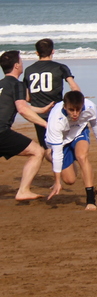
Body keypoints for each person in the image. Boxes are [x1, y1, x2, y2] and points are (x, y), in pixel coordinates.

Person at [45, 90, 97, 210]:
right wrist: (57, 181)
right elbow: (58, 153)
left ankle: (91, 200)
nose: (75, 114)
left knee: (81, 156)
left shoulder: (89, 107)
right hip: (62, 141)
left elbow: (95, 123)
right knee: (69, 180)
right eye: (71, 110)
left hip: (79, 132)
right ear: (65, 107)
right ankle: (49, 154)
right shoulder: (55, 121)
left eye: (78, 110)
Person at [0, 51, 49, 201]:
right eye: (21, 61)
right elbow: (22, 109)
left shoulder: (2, 84)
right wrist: (45, 124)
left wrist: (41, 110)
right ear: (16, 66)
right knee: (37, 152)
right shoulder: (17, 84)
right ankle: (23, 191)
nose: (22, 64)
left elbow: (17, 105)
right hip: (1, 132)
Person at [22, 38, 80, 148]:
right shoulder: (60, 67)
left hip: (38, 114)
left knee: (46, 146)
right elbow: (74, 88)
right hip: (56, 111)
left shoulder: (29, 70)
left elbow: (27, 97)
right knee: (62, 144)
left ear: (37, 53)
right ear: (53, 51)